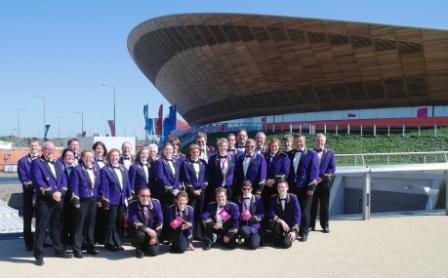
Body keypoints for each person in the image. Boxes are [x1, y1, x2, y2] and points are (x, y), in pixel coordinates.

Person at [31, 141, 71, 266]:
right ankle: (38, 254)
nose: (51, 151)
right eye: (48, 149)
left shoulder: (59, 163)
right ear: (42, 150)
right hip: (45, 200)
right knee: (42, 227)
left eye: (52, 149)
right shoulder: (37, 162)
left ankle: (58, 249)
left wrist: (61, 193)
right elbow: (38, 181)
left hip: (59, 200)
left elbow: (64, 180)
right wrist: (52, 193)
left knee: (57, 226)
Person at [69, 149, 101, 258]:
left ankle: (89, 246)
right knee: (79, 225)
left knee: (91, 225)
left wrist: (100, 200)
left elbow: (98, 185)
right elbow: (74, 186)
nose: (88, 159)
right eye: (86, 156)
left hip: (93, 200)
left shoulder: (96, 169)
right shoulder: (77, 170)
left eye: (90, 157)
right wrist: (76, 201)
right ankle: (77, 249)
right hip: (82, 201)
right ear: (82, 158)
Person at [287, 134, 319, 242]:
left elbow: (314, 173)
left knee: (305, 211)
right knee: (295, 210)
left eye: (300, 141)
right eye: (296, 141)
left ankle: (304, 232)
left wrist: (312, 188)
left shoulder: (311, 154)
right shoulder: (290, 154)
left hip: (306, 188)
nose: (298, 143)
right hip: (292, 187)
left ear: (304, 141)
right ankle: (296, 230)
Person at [100, 148, 132, 251]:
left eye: (116, 155)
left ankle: (117, 242)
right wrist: (106, 200)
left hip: (121, 200)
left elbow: (127, 184)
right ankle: (109, 243)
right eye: (112, 155)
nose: (114, 157)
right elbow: (104, 186)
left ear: (119, 157)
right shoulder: (105, 170)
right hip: (111, 200)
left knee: (119, 222)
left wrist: (129, 197)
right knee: (110, 223)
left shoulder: (124, 169)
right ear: (109, 157)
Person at [180, 144, 208, 241]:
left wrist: (201, 190)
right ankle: (190, 236)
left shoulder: (203, 163)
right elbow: (186, 178)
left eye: (197, 152)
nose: (195, 154)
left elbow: (206, 178)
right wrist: (193, 191)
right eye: (193, 152)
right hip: (190, 192)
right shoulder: (185, 163)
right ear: (190, 152)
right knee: (190, 212)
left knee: (199, 212)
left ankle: (198, 234)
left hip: (201, 192)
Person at [17, 137, 40, 251]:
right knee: (27, 219)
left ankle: (41, 240)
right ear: (28, 147)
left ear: (39, 147)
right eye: (32, 145)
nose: (33, 147)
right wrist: (35, 184)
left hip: (41, 195)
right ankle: (28, 242)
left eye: (36, 145)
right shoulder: (22, 161)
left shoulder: (42, 160)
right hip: (29, 194)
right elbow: (23, 177)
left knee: (41, 219)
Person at [310, 133, 336, 233]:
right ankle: (310, 225)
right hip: (312, 182)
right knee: (312, 204)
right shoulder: (310, 152)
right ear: (315, 141)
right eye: (318, 140)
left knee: (324, 205)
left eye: (322, 140)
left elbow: (332, 169)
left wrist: (321, 178)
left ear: (325, 142)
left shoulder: (330, 153)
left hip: (324, 183)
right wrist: (313, 179)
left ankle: (325, 225)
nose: (320, 142)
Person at [128, 187, 163, 258]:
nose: (145, 198)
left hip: (153, 232)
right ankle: (139, 248)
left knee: (153, 253)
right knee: (139, 233)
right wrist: (147, 230)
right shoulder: (133, 204)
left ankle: (147, 246)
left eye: (148, 196)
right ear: (138, 196)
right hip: (141, 231)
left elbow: (160, 221)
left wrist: (155, 236)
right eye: (143, 196)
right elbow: (134, 221)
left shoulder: (156, 203)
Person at [268, 180, 301, 248]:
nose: (281, 189)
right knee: (276, 244)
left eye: (283, 187)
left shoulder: (293, 198)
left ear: (287, 188)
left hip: (290, 226)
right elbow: (271, 212)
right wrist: (281, 221)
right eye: (279, 187)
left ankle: (286, 237)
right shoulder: (273, 198)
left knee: (286, 244)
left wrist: (294, 231)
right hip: (279, 225)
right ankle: (276, 237)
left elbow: (297, 215)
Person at [235, 181, 264, 250]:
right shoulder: (238, 199)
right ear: (241, 189)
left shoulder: (258, 199)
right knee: (243, 229)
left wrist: (252, 217)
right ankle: (243, 238)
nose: (246, 191)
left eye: (248, 189)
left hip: (254, 226)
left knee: (253, 246)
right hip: (243, 226)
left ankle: (246, 239)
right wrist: (241, 216)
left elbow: (262, 214)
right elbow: (235, 214)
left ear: (251, 189)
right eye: (244, 189)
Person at [263, 138, 290, 212]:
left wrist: (274, 180)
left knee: (277, 207)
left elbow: (285, 172)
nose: (274, 148)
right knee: (266, 205)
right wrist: (265, 181)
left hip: (277, 186)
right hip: (265, 185)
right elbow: (261, 170)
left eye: (276, 146)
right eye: (272, 146)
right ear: (269, 147)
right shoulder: (264, 156)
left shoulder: (284, 156)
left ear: (279, 147)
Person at [60, 148, 76, 247]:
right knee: (63, 219)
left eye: (72, 156)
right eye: (67, 156)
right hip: (63, 197)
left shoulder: (77, 168)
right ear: (63, 157)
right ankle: (63, 240)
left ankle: (72, 240)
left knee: (73, 219)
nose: (70, 157)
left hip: (74, 198)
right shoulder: (59, 168)